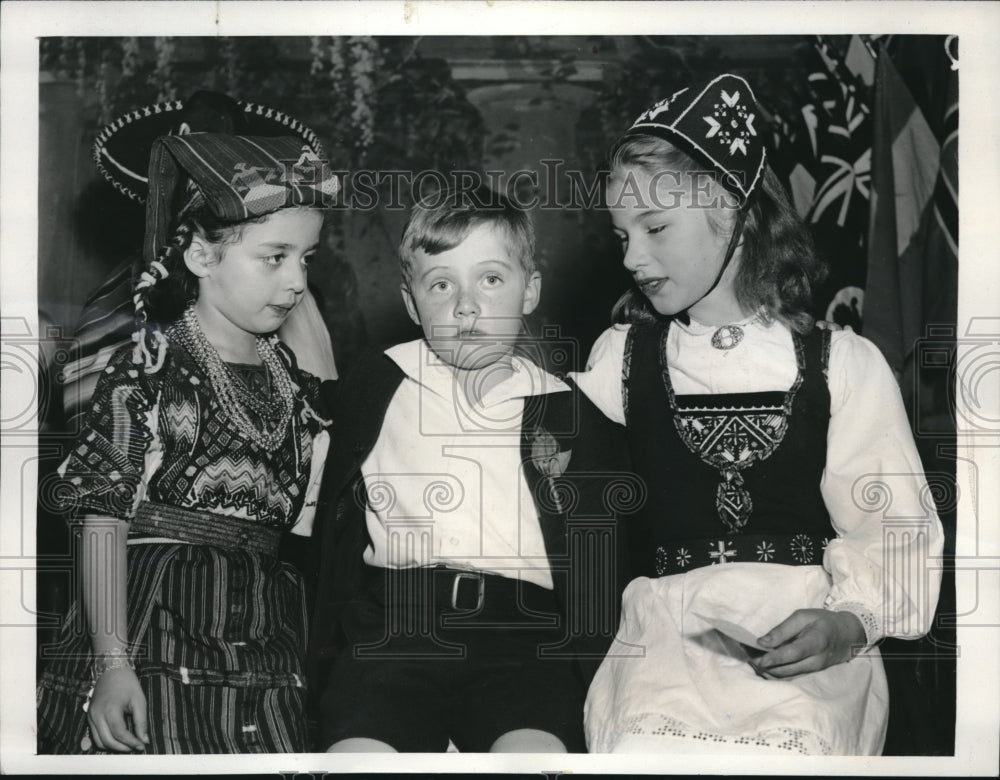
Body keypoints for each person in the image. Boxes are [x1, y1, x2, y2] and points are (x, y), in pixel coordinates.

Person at [573, 74, 944, 755]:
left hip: (807, 648)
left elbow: (894, 528)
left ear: (734, 212)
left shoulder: (843, 364)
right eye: (622, 233)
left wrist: (851, 625)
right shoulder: (619, 359)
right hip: (665, 649)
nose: (632, 257)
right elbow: (540, 471)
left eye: (655, 227)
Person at [36, 132, 339, 753]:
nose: (298, 280)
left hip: (266, 625)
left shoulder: (292, 377)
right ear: (201, 256)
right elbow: (103, 520)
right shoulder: (148, 365)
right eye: (274, 257)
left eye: (307, 258)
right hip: (157, 622)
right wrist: (112, 664)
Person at [309, 186, 635, 753]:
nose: (466, 305)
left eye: (490, 279)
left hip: (525, 641)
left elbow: (605, 560)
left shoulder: (566, 410)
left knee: (535, 759)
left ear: (529, 290)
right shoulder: (378, 385)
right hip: (395, 633)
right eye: (441, 284)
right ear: (411, 304)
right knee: (357, 760)